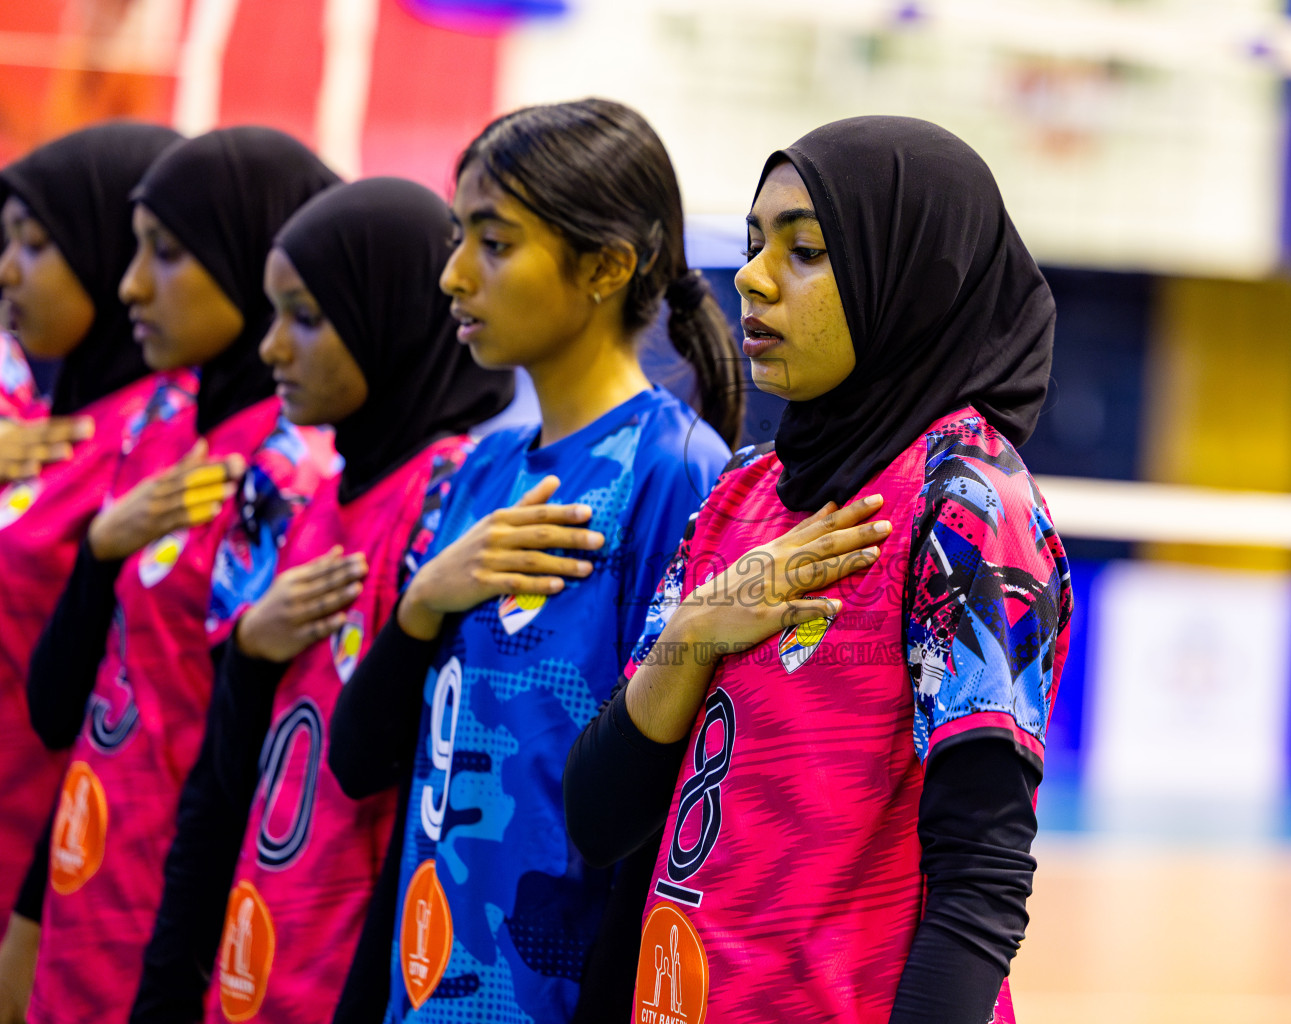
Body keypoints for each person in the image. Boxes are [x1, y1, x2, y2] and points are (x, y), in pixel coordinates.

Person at [562, 115, 1072, 1024]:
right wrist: (695, 630)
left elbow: (979, 886)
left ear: (907, 278)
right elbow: (603, 821)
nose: (752, 278)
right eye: (756, 244)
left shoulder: (967, 504)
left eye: (804, 251)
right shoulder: (743, 491)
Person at [327, 98, 739, 1023]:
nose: (453, 276)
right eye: (456, 237)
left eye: (495, 242)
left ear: (605, 266)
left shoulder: (675, 474)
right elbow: (363, 766)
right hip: (422, 990)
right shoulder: (480, 470)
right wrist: (423, 603)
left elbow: (658, 808)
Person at [130, 177, 516, 1024]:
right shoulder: (305, 490)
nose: (272, 348)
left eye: (305, 317)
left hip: (355, 972)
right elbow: (227, 781)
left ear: (387, 314)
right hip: (253, 950)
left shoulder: (457, 499)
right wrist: (250, 655)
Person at [24, 126, 339, 1023]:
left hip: (176, 917)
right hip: (84, 878)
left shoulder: (287, 472)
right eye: (133, 253)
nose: (131, 286)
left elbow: (242, 761)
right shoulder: (163, 415)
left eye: (165, 255)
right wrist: (99, 551)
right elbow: (67, 702)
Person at [0, 121, 186, 1021]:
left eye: (36, 245)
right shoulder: (52, 422)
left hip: (64, 865)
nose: (7, 270)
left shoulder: (156, 442)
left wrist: (34, 909)